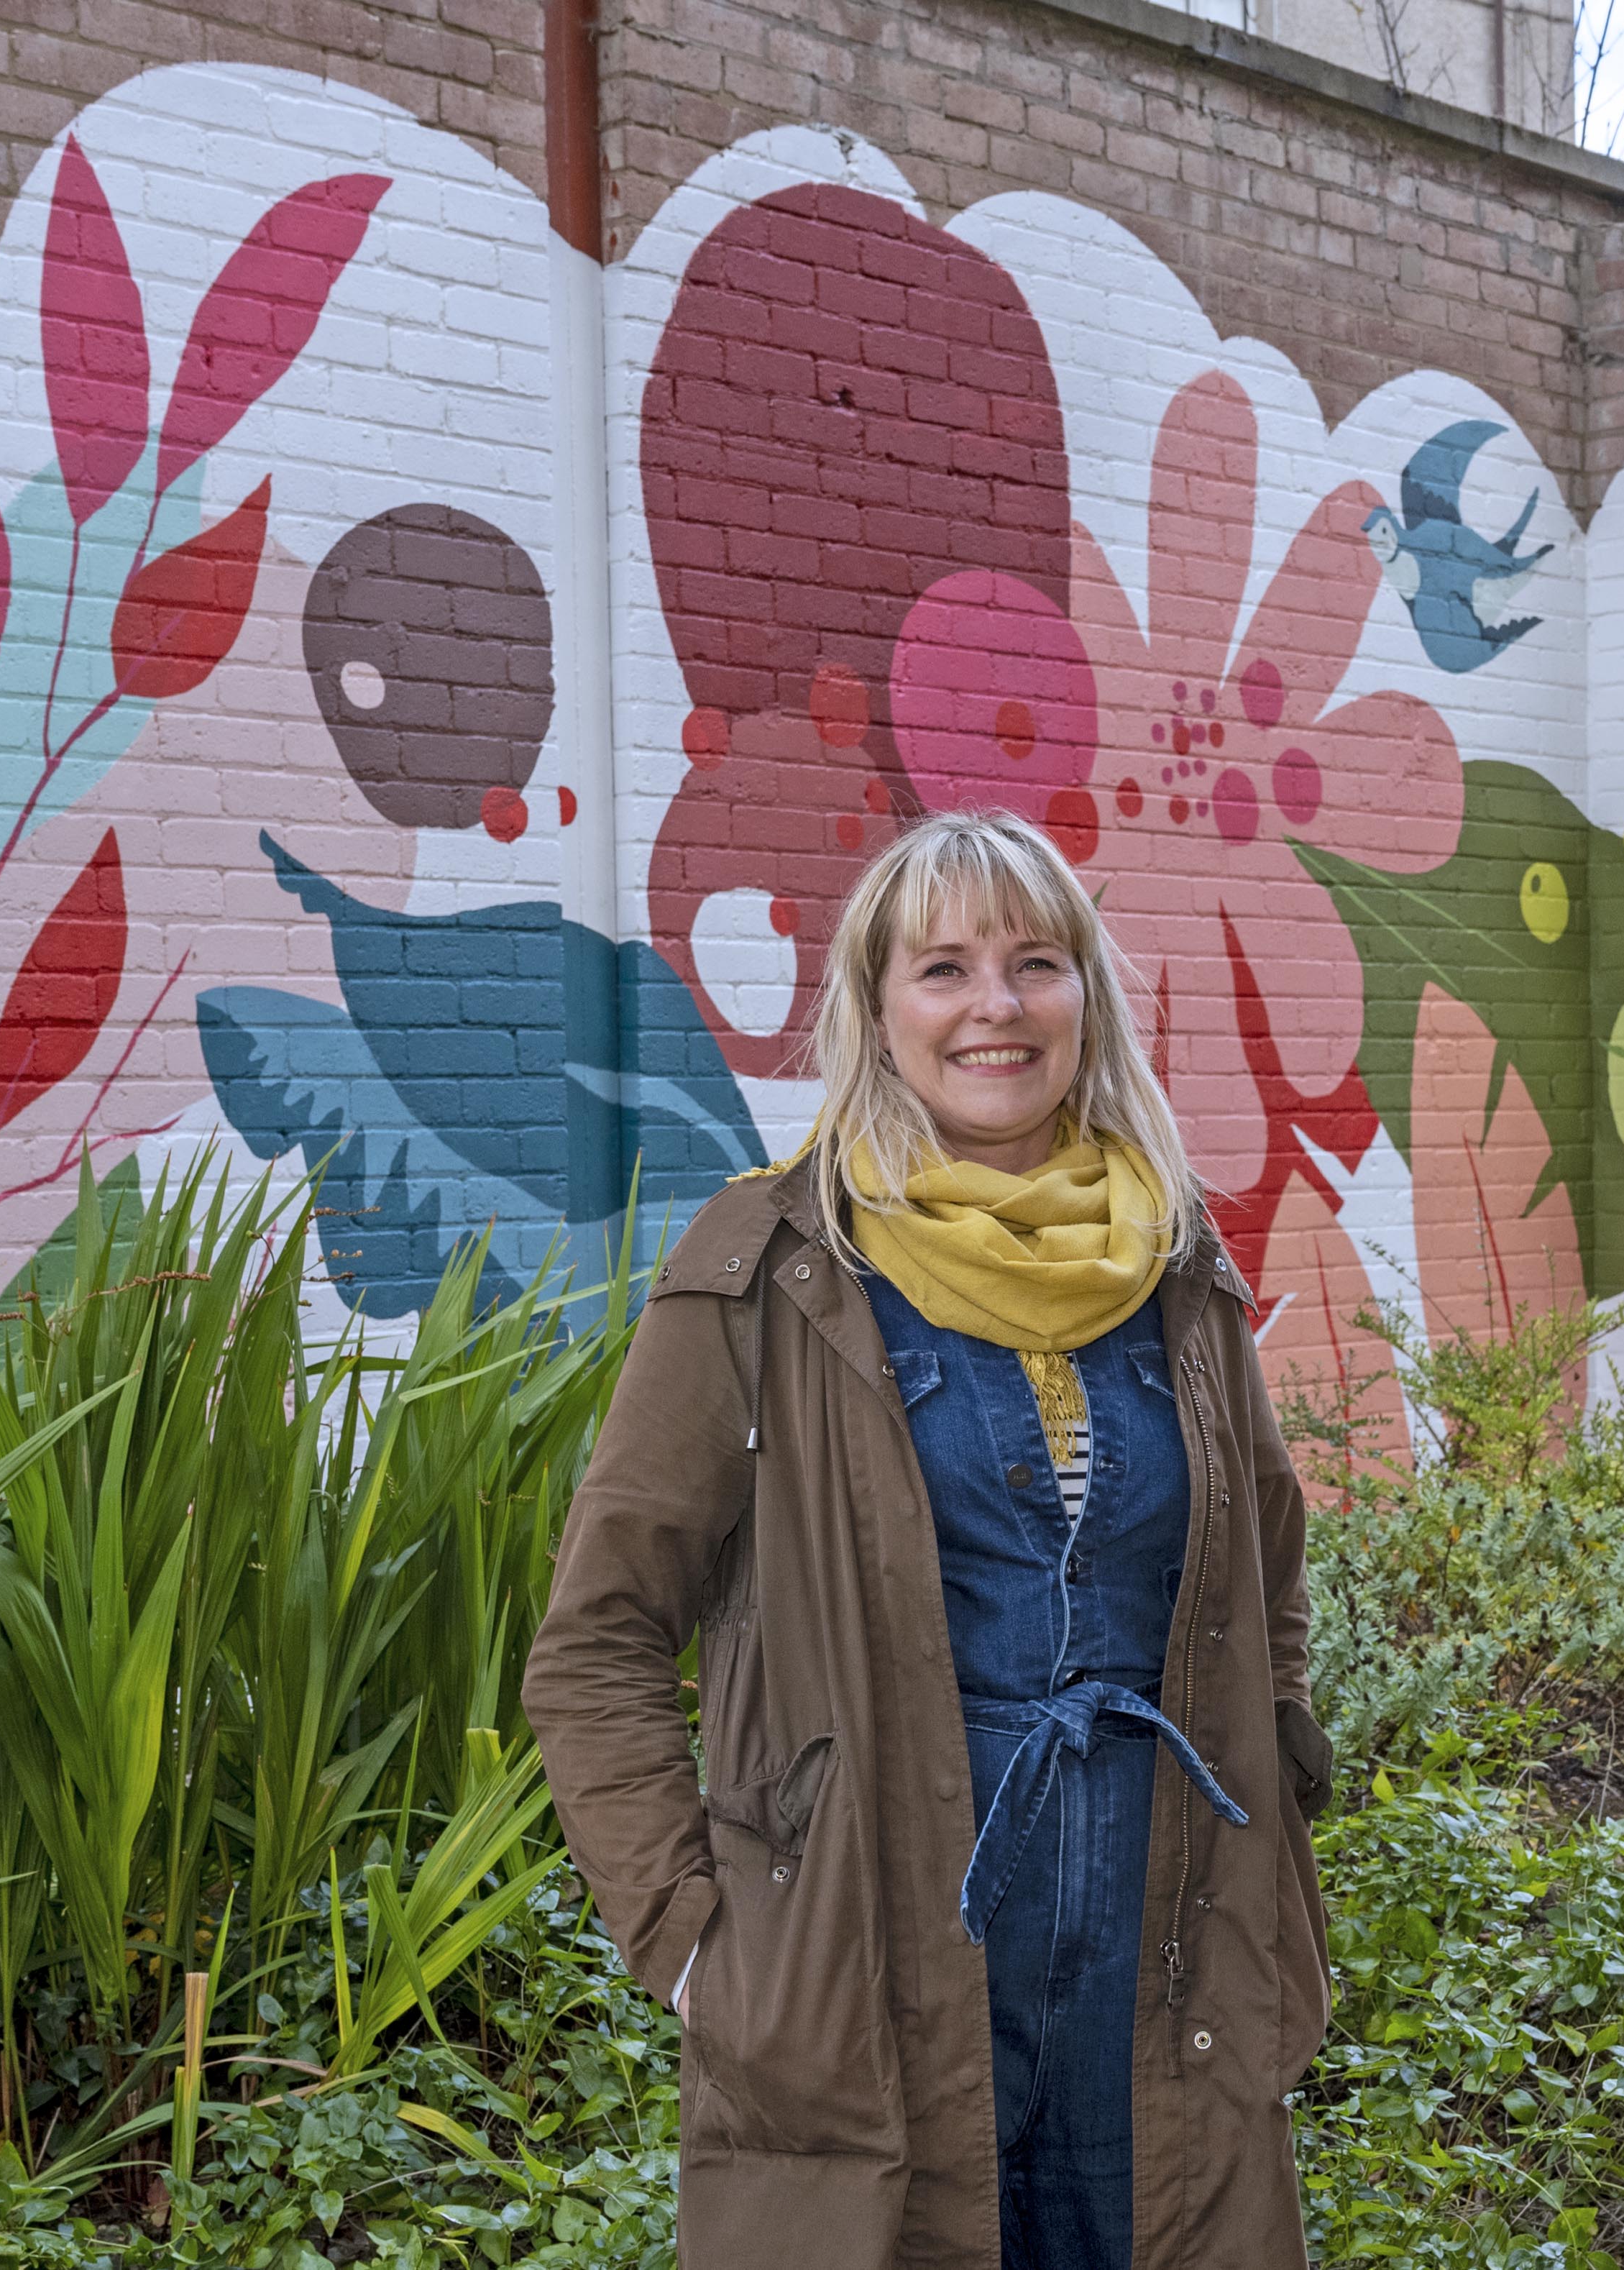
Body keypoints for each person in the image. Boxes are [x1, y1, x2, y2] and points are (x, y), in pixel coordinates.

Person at [523, 806, 1335, 2270]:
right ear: (877, 1009)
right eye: (944, 968)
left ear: (1086, 993)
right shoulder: (769, 1271)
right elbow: (597, 1636)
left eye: (1034, 962)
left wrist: (1279, 1798)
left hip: (1160, 1978)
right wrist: (697, 1942)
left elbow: (1263, 1570)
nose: (995, 1008)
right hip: (864, 1971)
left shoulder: (1176, 1265)